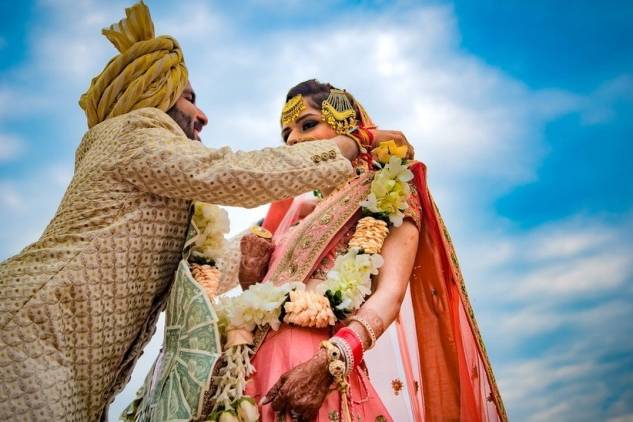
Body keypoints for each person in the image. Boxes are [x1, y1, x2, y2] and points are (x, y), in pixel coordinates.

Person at [0, 4, 407, 421]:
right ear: (155, 95)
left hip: (79, 374)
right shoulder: (133, 132)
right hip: (29, 336)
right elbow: (232, 173)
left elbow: (207, 266)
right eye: (190, 99)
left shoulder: (167, 181)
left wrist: (262, 255)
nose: (203, 115)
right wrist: (355, 143)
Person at [232, 80, 508, 421]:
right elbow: (270, 301)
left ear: (346, 127)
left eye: (307, 125)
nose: (292, 140)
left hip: (316, 367)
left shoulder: (385, 191)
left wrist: (329, 362)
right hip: (253, 372)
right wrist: (249, 278)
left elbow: (389, 295)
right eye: (286, 134)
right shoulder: (296, 214)